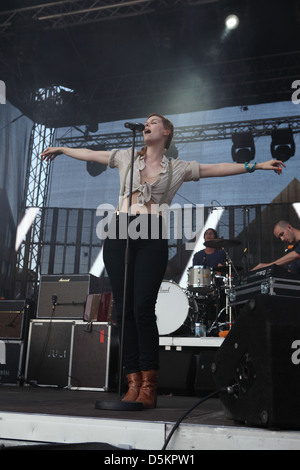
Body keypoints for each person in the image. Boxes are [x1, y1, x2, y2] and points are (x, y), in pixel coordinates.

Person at [42, 113, 285, 408]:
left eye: (154, 121)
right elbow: (92, 153)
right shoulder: (126, 156)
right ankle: (132, 382)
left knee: (143, 309)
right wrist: (62, 149)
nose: (147, 124)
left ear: (167, 131)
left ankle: (149, 384)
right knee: (125, 309)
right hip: (119, 234)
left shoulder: (177, 168)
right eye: (146, 122)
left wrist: (255, 164)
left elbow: (217, 167)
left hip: (152, 236)